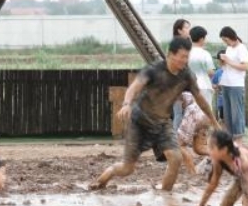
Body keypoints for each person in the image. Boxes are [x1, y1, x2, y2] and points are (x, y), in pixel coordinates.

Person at [90, 36, 220, 192]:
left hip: (162, 123)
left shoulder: (186, 75)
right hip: (140, 122)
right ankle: (101, 181)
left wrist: (214, 121)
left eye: (187, 57)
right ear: (170, 54)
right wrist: (126, 104)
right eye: (182, 57)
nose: (185, 61)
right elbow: (134, 87)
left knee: (175, 158)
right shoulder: (154, 70)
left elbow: (200, 99)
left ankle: (165, 195)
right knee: (127, 168)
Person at [217, 26, 248, 140]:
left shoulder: (242, 48)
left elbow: (245, 66)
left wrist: (229, 61)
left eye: (226, 40)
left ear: (231, 37)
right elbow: (226, 66)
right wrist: (223, 62)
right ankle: (230, 136)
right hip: (226, 83)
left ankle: (238, 137)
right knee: (227, 113)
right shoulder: (229, 49)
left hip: (236, 84)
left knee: (237, 113)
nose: (225, 43)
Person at [170, 19, 192, 132]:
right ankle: (174, 140)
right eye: (186, 28)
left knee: (184, 113)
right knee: (178, 113)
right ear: (179, 30)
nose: (189, 30)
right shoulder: (176, 45)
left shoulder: (187, 44)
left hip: (185, 83)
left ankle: (181, 139)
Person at [188, 26, 215, 108]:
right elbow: (210, 72)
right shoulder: (205, 54)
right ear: (201, 39)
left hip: (189, 87)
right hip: (204, 86)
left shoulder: (186, 53)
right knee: (205, 114)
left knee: (192, 112)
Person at [212, 49, 226, 122]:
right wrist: (218, 86)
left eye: (218, 59)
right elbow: (213, 85)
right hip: (221, 101)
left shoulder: (231, 71)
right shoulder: (218, 72)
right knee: (222, 119)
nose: (218, 61)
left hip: (229, 101)